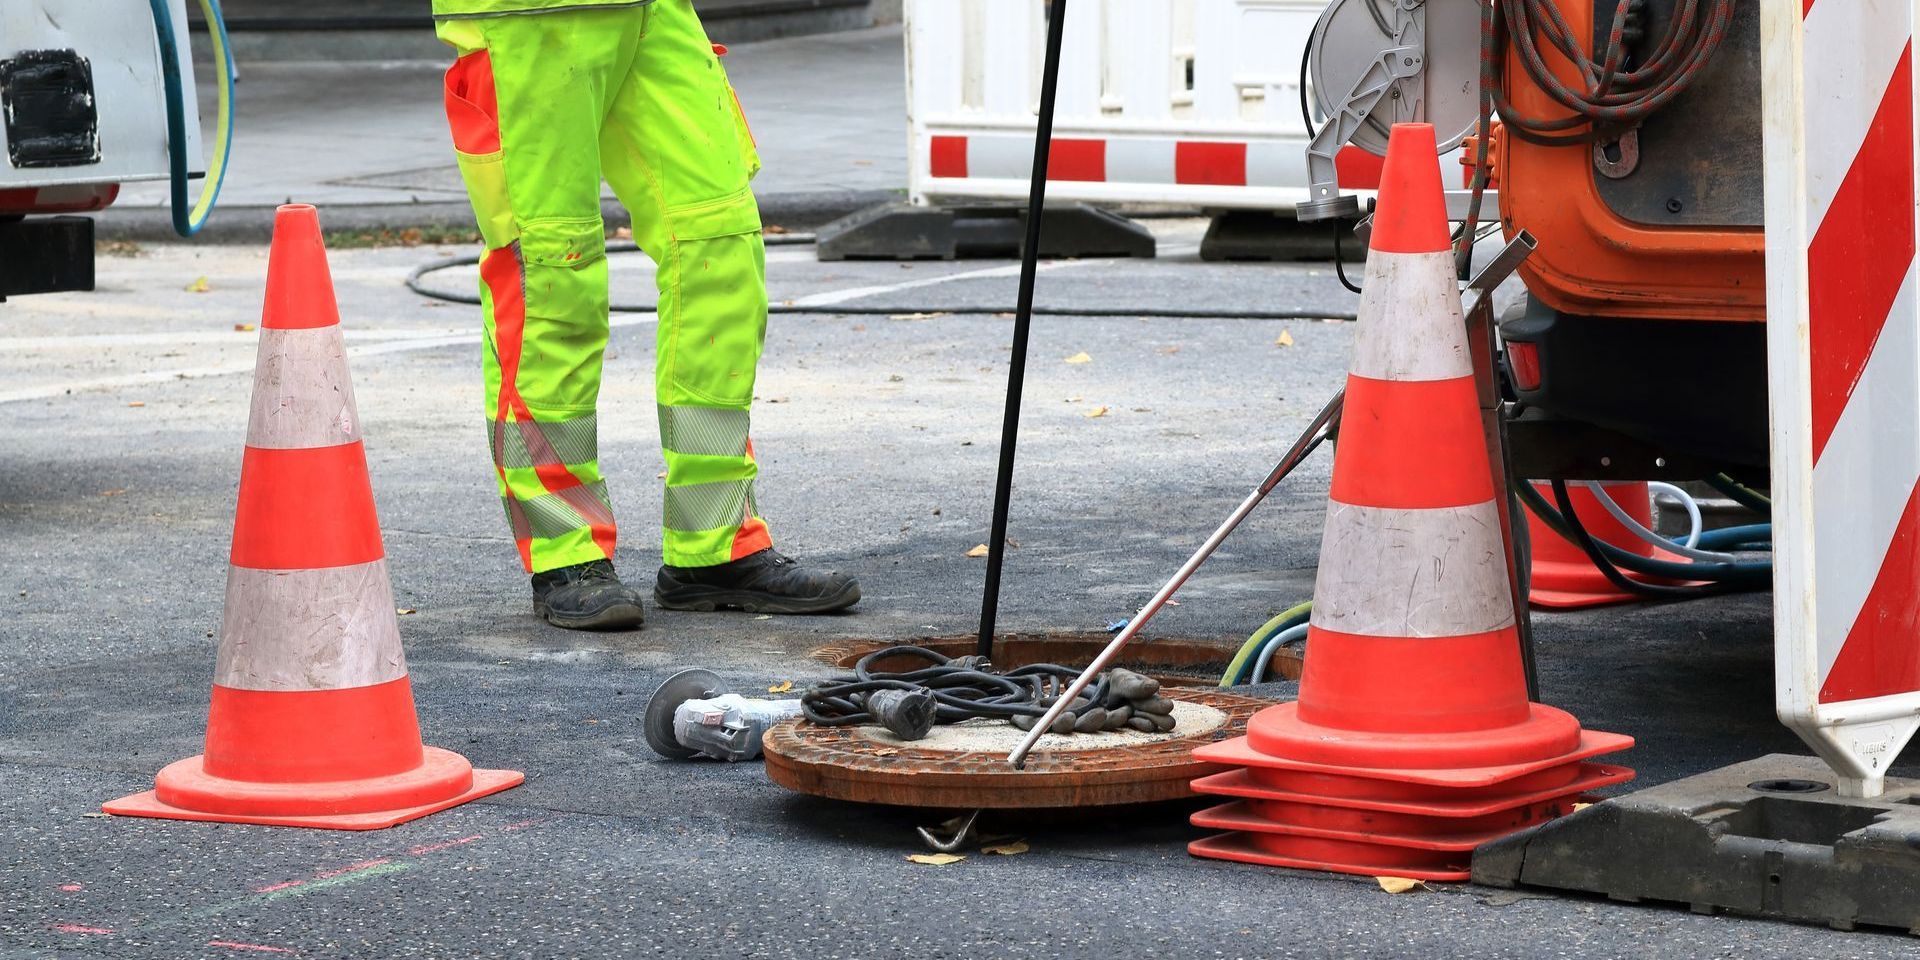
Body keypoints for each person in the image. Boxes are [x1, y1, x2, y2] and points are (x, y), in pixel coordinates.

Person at [432, 0, 859, 629]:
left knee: (721, 247)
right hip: (526, 20)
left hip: (650, 9)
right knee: (552, 271)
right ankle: (566, 549)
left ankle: (713, 545)